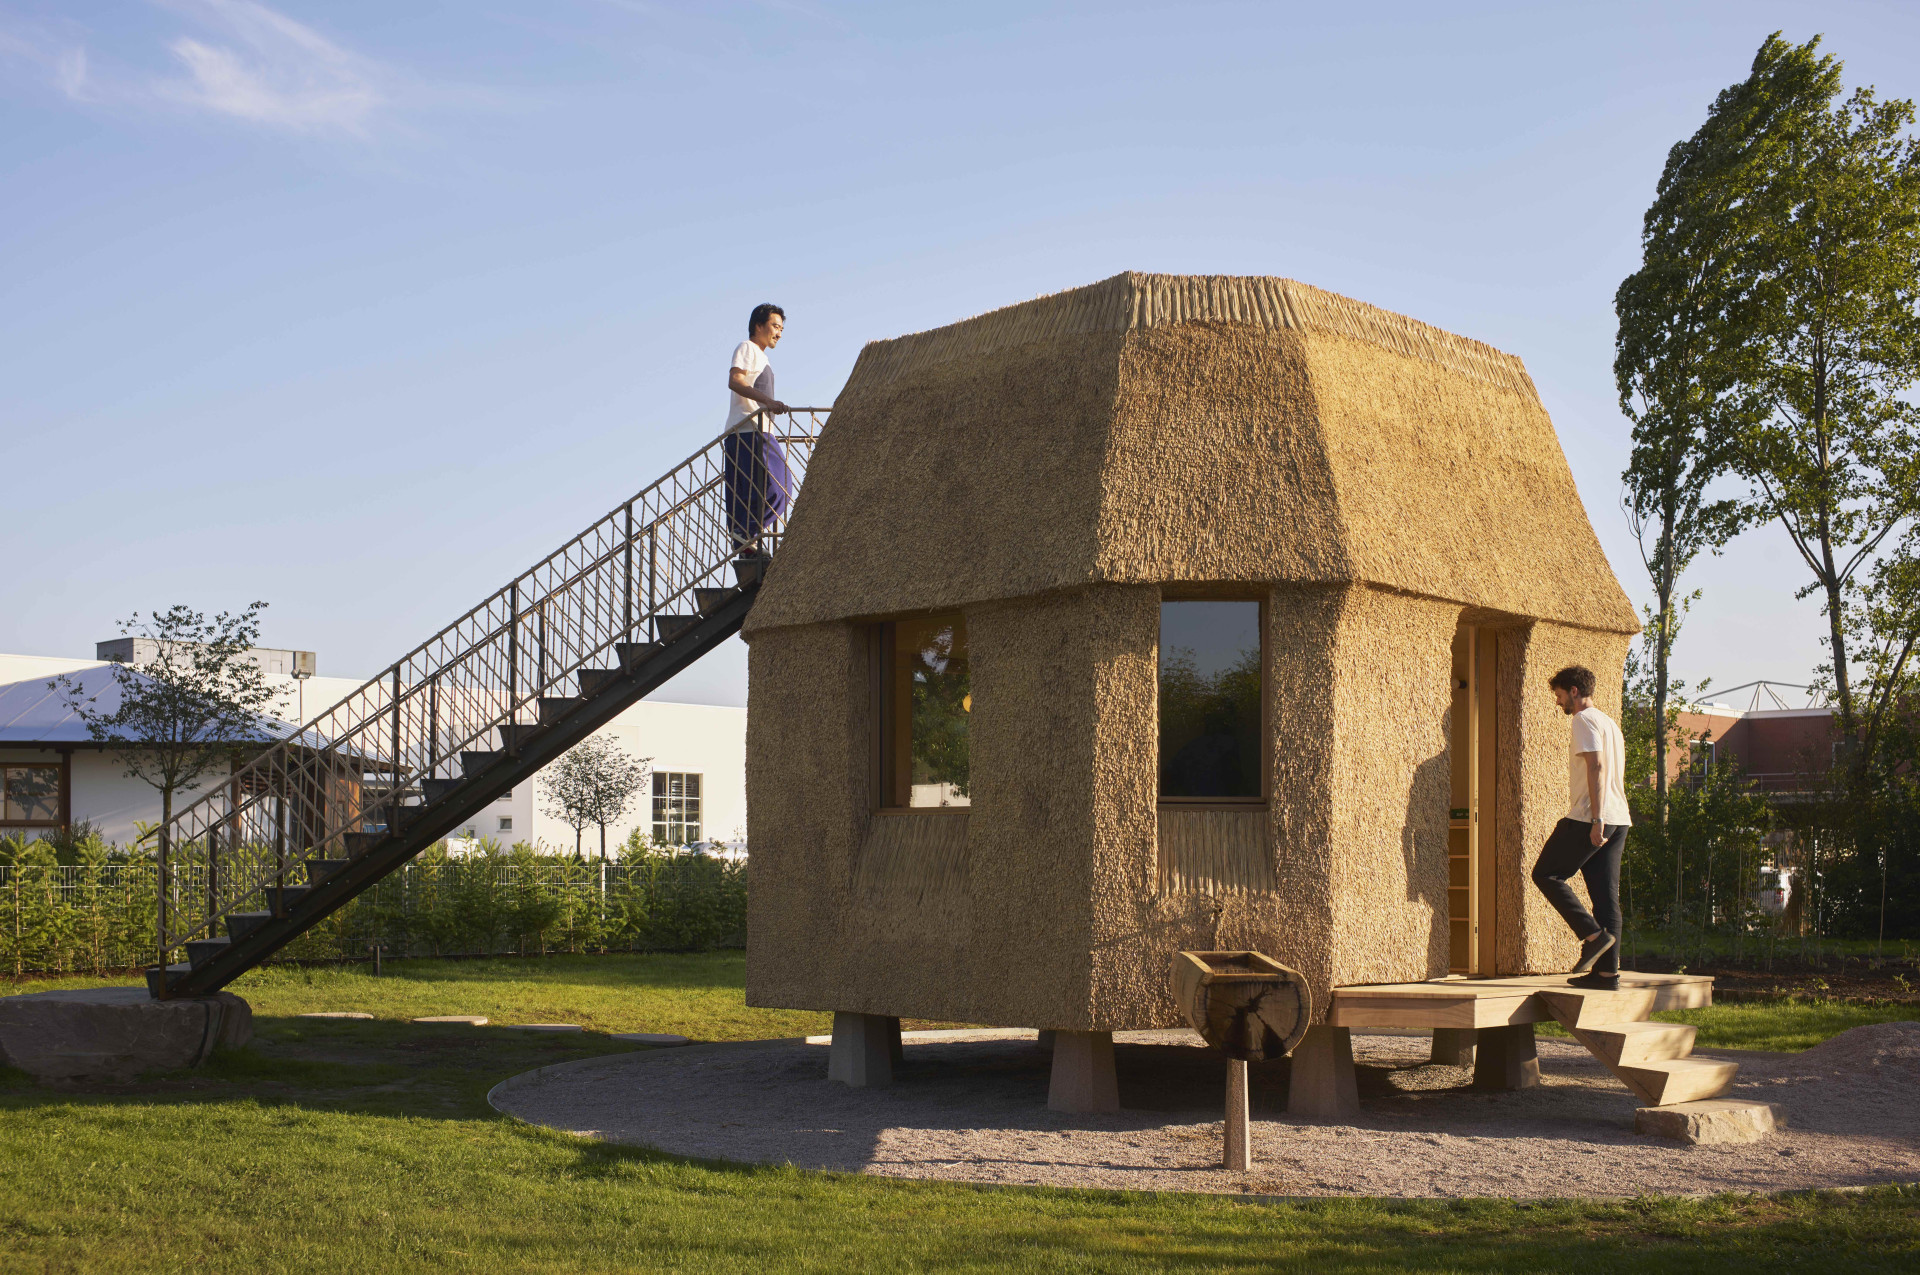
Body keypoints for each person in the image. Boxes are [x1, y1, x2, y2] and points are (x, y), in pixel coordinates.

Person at [1531, 664, 1632, 990]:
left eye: (1559, 695)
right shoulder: (1609, 723)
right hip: (1620, 818)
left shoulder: (1584, 719)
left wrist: (1596, 819)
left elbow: (1597, 766)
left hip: (1594, 816)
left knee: (1546, 874)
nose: (1558, 702)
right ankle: (1607, 976)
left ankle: (1592, 935)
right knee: (1606, 899)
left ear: (1574, 691)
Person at [723, 304, 793, 559]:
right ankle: (746, 535)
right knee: (781, 486)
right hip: (750, 429)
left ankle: (746, 543)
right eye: (775, 327)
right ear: (758, 326)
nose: (779, 333)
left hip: (749, 431)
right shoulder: (748, 348)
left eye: (782, 329)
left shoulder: (762, 357)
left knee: (753, 491)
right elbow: (735, 380)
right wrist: (768, 402)